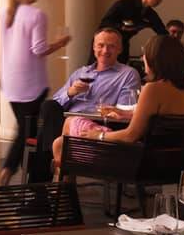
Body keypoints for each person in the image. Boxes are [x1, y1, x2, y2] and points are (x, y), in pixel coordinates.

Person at [51, 33, 184, 166]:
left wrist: (98, 135)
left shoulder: (152, 89)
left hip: (140, 162)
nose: (143, 59)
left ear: (155, 60)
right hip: (173, 159)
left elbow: (130, 136)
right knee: (62, 142)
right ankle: (64, 190)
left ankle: (63, 192)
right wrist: (126, 114)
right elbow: (160, 117)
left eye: (145, 55)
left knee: (62, 141)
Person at [30, 28, 141, 181]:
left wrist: (108, 111)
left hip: (96, 125)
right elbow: (56, 103)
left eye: (111, 46)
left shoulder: (127, 74)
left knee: (48, 136)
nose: (105, 50)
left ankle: (45, 178)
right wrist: (70, 92)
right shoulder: (80, 73)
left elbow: (125, 111)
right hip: (66, 122)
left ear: (120, 49)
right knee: (49, 106)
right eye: (101, 45)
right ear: (94, 47)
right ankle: (53, 170)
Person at [0, 0, 71, 186]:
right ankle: (16, 171)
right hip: (32, 82)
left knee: (24, 128)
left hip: (10, 80)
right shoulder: (36, 15)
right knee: (28, 130)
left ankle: (12, 170)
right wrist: (61, 42)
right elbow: (38, 49)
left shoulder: (2, 12)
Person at [92, 0, 168, 64]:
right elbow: (105, 22)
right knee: (96, 70)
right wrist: (121, 27)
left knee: (122, 72)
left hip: (123, 45)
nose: (160, 1)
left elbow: (162, 31)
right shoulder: (124, 4)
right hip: (104, 44)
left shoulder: (151, 15)